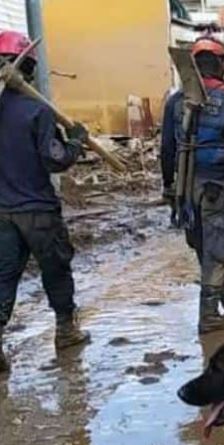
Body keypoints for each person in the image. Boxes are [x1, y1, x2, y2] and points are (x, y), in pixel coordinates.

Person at [0, 30, 91, 373]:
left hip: (2, 211)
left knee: (4, 276)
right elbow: (55, 159)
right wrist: (77, 142)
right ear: (30, 67)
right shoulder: (37, 111)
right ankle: (66, 331)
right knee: (55, 269)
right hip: (37, 210)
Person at [161, 36, 224, 334]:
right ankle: (208, 316)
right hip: (215, 185)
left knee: (201, 244)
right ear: (221, 64)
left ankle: (221, 288)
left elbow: (166, 148)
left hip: (185, 189)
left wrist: (169, 186)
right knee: (216, 248)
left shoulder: (176, 101)